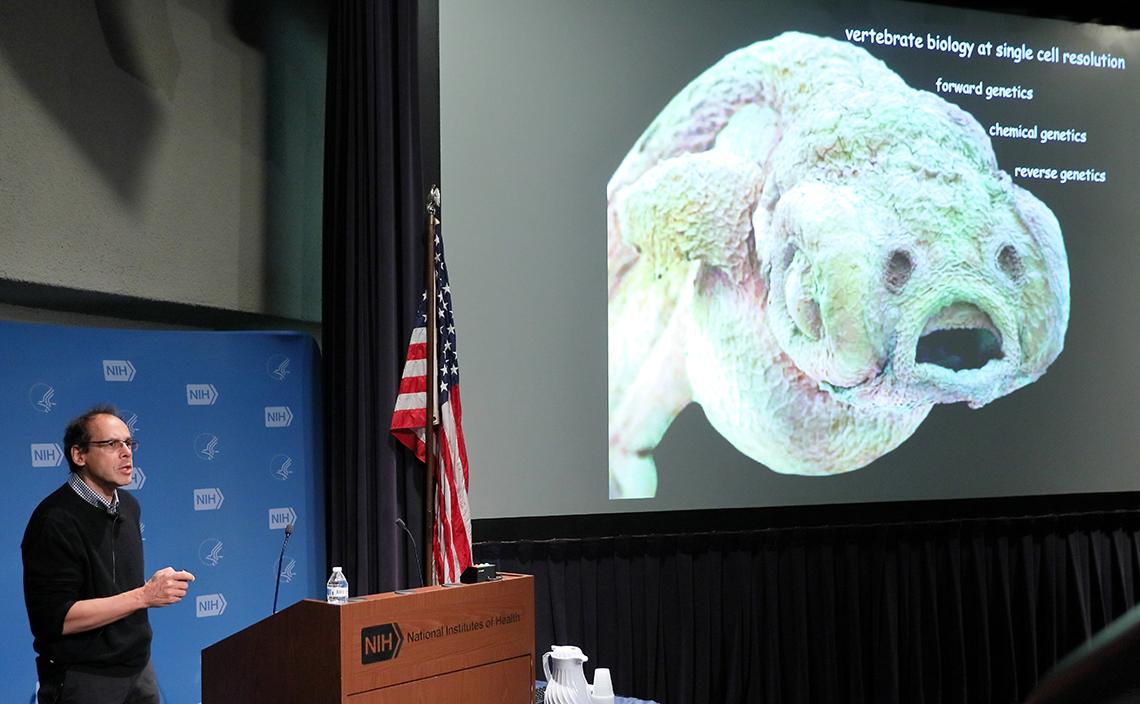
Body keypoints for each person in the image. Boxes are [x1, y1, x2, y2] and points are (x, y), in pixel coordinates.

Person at [22, 405, 196, 704]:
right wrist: (144, 595)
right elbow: (55, 620)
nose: (126, 452)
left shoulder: (128, 506)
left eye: (129, 443)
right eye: (112, 444)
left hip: (138, 669)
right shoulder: (54, 520)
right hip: (84, 677)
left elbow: (114, 587)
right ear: (79, 455)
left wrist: (148, 592)